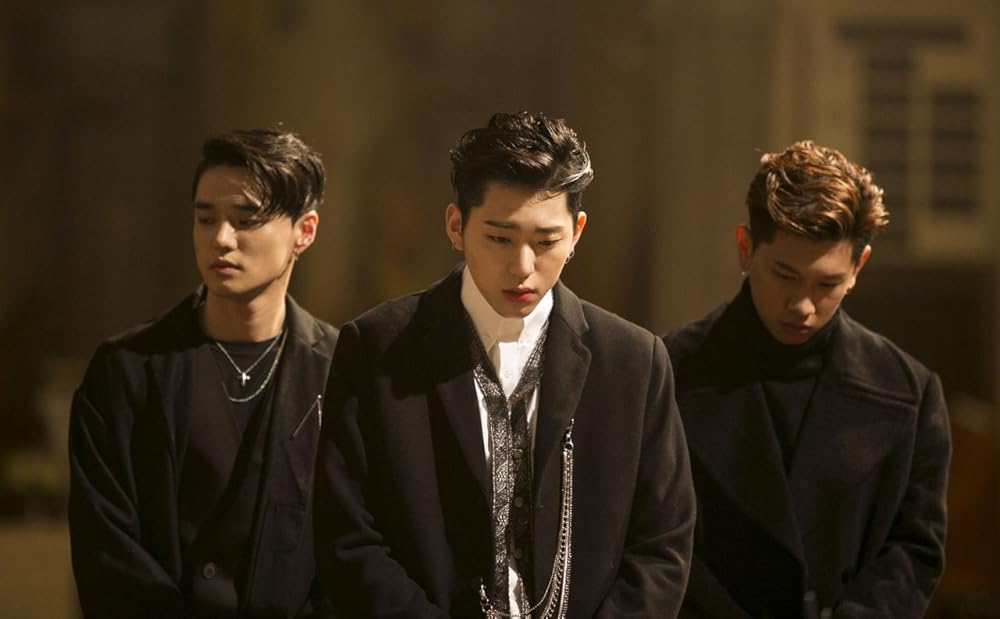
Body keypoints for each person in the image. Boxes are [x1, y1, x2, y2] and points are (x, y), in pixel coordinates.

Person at [314, 111, 695, 617]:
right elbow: (347, 537)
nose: (522, 267)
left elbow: (662, 546)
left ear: (577, 233)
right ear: (456, 225)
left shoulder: (632, 361)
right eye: (499, 238)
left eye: (546, 242)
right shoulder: (378, 347)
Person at [665, 140, 951, 617]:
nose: (802, 305)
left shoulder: (911, 392)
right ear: (744, 249)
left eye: (826, 284)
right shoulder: (667, 373)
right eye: (784, 274)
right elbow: (651, 539)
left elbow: (914, 553)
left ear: (858, 268)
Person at [68, 128, 337, 617]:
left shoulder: (340, 374)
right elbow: (104, 550)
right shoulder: (128, 371)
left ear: (305, 231)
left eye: (246, 220)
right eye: (206, 218)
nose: (221, 239)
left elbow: (357, 547)